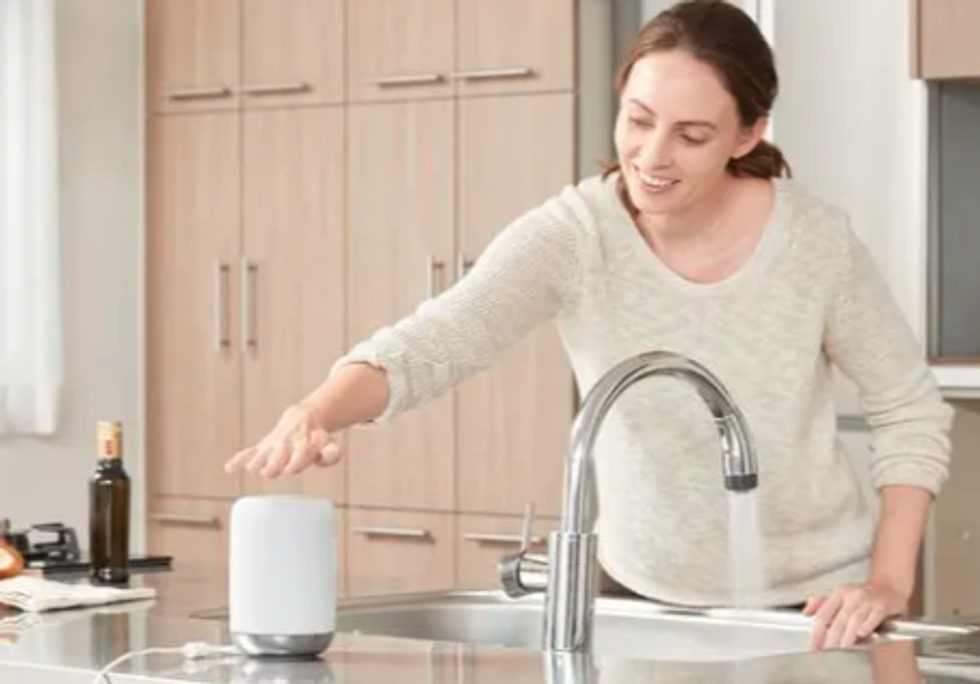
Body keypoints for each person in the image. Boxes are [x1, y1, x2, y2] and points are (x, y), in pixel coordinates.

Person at [225, 0, 953, 652]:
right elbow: (436, 341)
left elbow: (907, 405)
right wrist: (317, 410)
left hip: (822, 607)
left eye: (691, 135)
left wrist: (887, 582)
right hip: (639, 596)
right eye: (638, 119)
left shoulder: (813, 241)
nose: (651, 156)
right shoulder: (577, 236)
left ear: (747, 133)